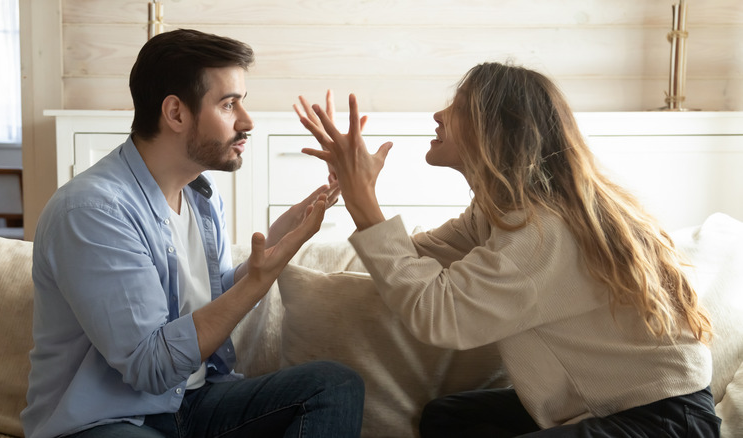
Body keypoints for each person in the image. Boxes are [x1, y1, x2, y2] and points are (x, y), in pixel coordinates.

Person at [294, 63, 722, 437]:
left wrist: (363, 199)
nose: (438, 116)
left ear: (496, 128)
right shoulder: (501, 212)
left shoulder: (545, 231)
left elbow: (441, 315)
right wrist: (354, 194)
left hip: (664, 420)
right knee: (446, 419)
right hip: (609, 406)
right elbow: (410, 260)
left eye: (457, 108)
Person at [21, 29, 364, 438]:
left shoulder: (201, 194)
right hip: (111, 419)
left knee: (335, 385)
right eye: (228, 104)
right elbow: (150, 367)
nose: (247, 121)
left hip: (192, 401)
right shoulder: (92, 211)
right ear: (176, 114)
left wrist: (276, 245)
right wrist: (258, 281)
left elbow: (213, 298)